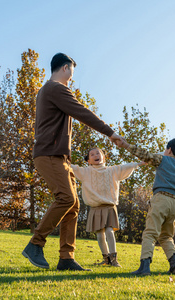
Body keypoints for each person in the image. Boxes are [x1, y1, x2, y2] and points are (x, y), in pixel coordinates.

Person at [22, 53, 125, 271]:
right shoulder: (56, 88)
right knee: (65, 198)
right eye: (71, 74)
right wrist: (110, 133)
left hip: (59, 156)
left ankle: (66, 258)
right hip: (49, 154)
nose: (71, 79)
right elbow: (82, 112)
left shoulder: (47, 91)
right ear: (65, 69)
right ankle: (35, 243)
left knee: (73, 206)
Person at [117, 138, 175, 275]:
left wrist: (126, 145)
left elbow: (144, 154)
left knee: (150, 233)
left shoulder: (163, 159)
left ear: (169, 150)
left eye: (165, 149)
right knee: (166, 236)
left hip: (161, 199)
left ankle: (144, 266)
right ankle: (174, 264)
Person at [71, 147, 144, 267]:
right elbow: (73, 168)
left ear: (103, 157)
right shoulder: (85, 172)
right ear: (88, 161)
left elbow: (125, 167)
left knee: (109, 231)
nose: (95, 155)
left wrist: (138, 164)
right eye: (92, 154)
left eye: (98, 153)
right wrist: (62, 160)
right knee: (100, 234)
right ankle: (106, 259)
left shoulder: (113, 170)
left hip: (109, 207)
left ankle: (114, 259)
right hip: (95, 208)